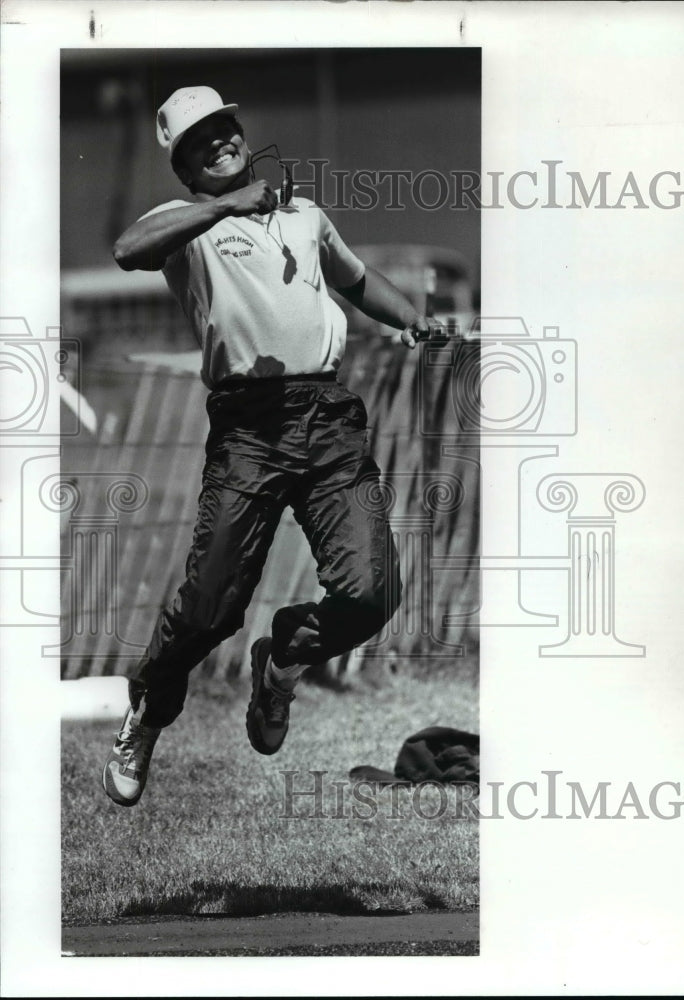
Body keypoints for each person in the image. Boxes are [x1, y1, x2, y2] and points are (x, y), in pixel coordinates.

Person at [102, 86, 439, 807]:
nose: (220, 141)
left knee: (371, 592)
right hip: (248, 429)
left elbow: (354, 283)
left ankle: (285, 654)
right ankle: (146, 713)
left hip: (328, 419)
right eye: (201, 141)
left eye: (224, 128)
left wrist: (410, 319)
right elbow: (127, 250)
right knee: (209, 608)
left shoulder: (304, 216)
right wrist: (226, 206)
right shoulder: (183, 223)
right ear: (185, 167)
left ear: (240, 133)